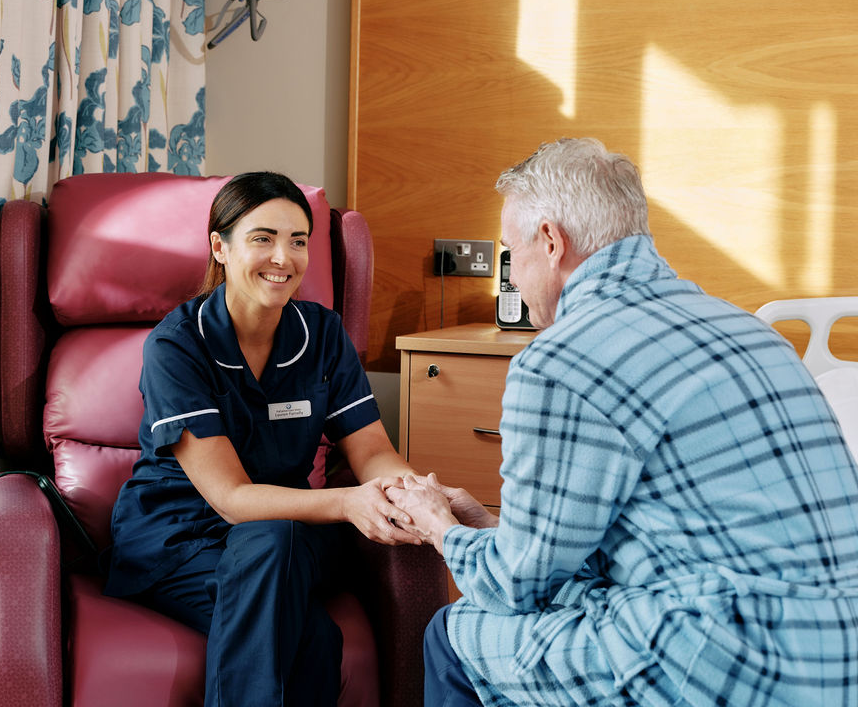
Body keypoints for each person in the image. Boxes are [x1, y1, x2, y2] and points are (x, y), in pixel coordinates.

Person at [387, 138, 858, 707]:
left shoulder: (561, 359)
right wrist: (488, 525)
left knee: (456, 633)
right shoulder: (748, 328)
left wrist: (441, 528)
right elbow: (649, 534)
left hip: (725, 658)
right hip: (837, 656)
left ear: (551, 242)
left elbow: (516, 585)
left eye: (512, 255)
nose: (512, 279)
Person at [105, 172, 422, 706]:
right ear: (220, 248)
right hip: (180, 541)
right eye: (262, 238)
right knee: (312, 638)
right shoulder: (177, 347)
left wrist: (425, 496)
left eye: (299, 241)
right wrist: (348, 502)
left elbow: (371, 452)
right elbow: (230, 498)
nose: (284, 257)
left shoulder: (322, 335)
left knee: (276, 540)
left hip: (288, 535)